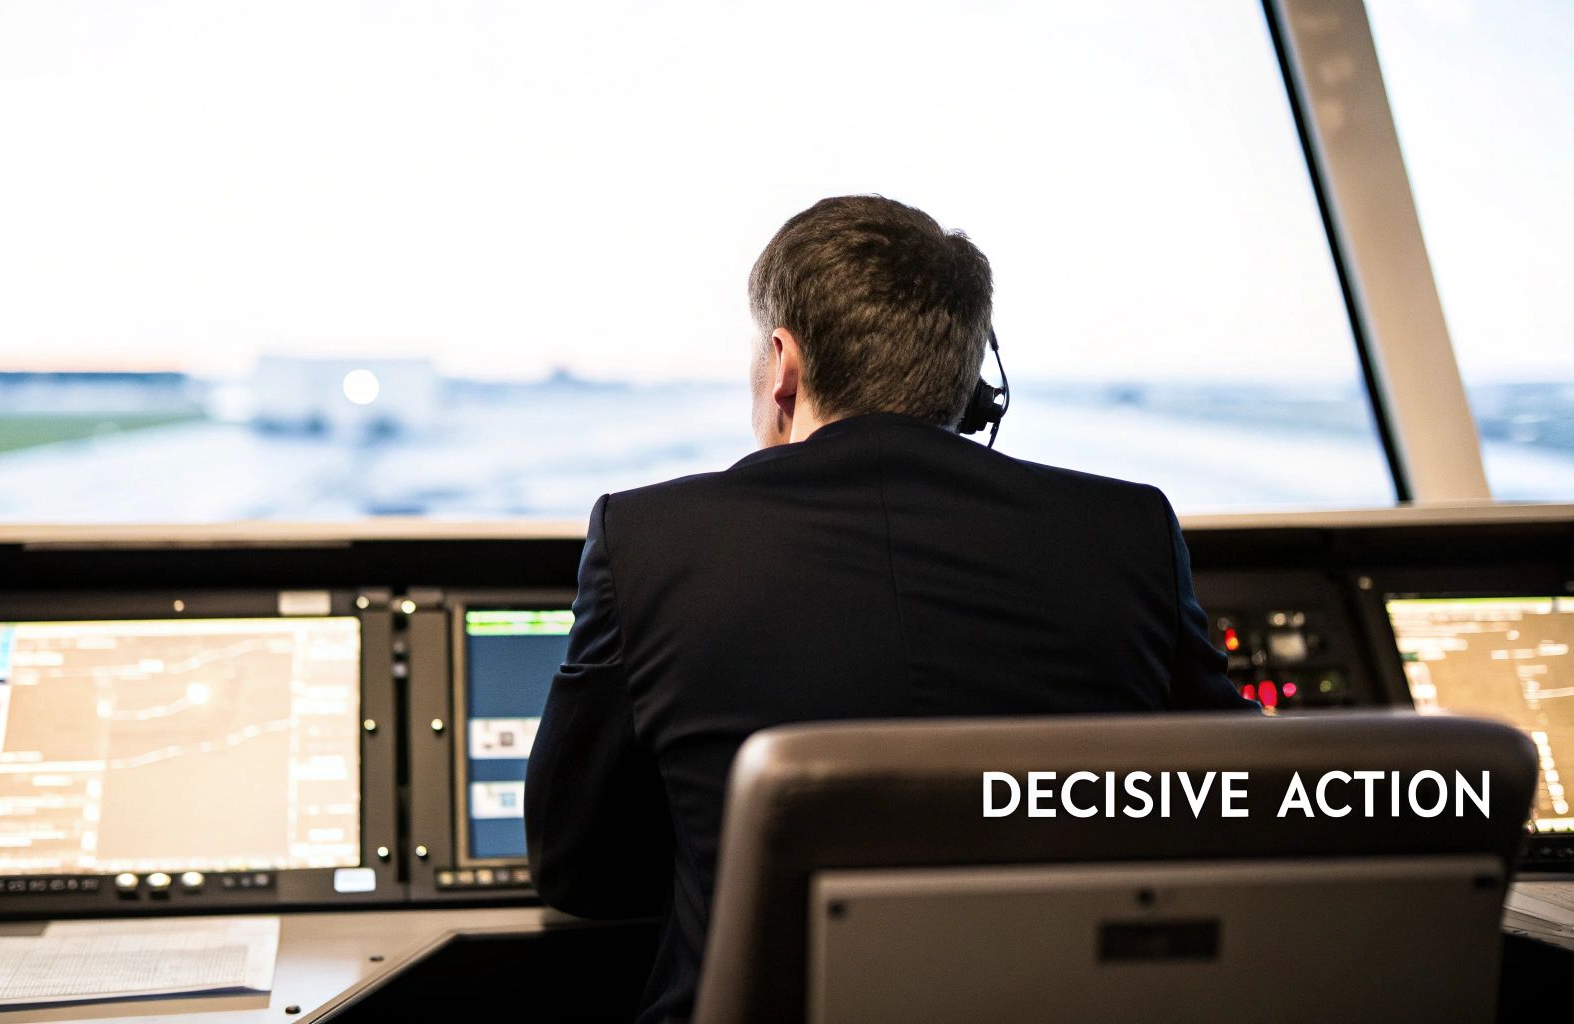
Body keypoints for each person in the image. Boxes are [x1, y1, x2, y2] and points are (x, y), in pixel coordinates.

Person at [524, 195, 1255, 1024]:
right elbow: (1241, 808)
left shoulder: (649, 537)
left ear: (784, 365)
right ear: (974, 381)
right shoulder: (1128, 532)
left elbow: (577, 871)